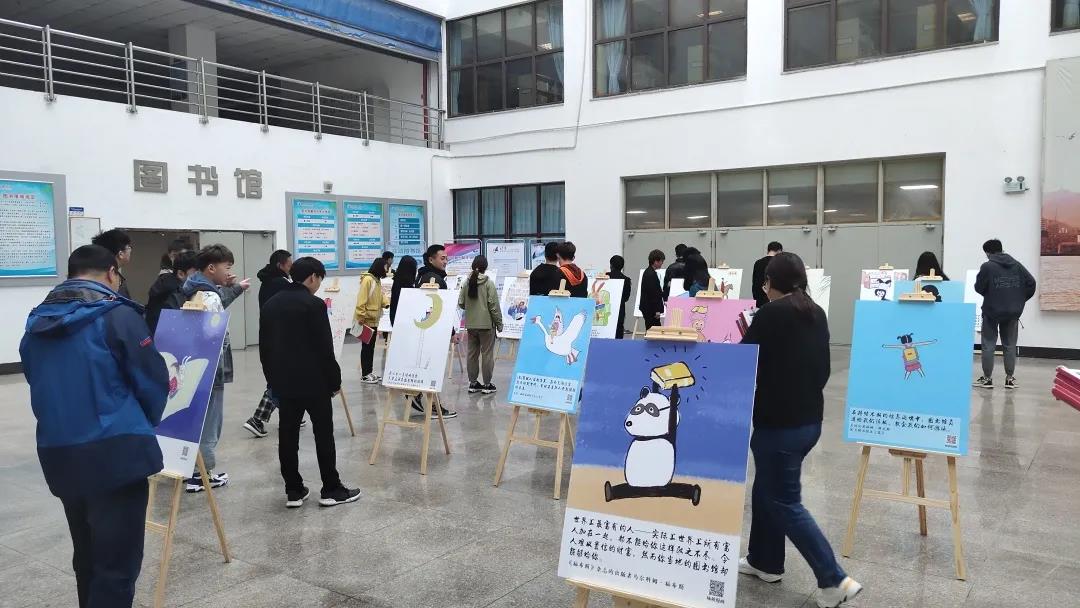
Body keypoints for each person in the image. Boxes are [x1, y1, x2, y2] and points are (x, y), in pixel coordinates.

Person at [20, 245, 169, 608]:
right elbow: (152, 381)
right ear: (112, 273)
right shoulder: (117, 315)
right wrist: (141, 424)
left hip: (59, 452)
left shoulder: (36, 322)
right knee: (117, 566)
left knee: (86, 556)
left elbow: (36, 378)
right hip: (117, 453)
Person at [739, 252, 863, 607]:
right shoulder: (815, 311)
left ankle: (834, 580)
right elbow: (822, 369)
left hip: (779, 425)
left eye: (765, 282)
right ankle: (765, 561)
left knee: (784, 501)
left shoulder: (770, 313)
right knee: (765, 489)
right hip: (809, 421)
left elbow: (745, 360)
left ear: (770, 283)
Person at [259, 257, 362, 508]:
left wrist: (272, 380)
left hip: (284, 383)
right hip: (315, 382)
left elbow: (265, 348)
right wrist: (335, 381)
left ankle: (293, 490)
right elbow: (325, 348)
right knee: (323, 434)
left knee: (288, 435)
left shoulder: (271, 304)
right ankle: (331, 488)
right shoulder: (314, 305)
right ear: (313, 277)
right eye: (319, 279)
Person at [180, 244, 249, 492]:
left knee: (195, 418)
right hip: (210, 368)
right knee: (210, 422)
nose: (229, 272)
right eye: (226, 267)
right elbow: (213, 338)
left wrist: (228, 288)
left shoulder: (192, 289)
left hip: (190, 366)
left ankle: (191, 469)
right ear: (211, 268)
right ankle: (202, 474)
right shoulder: (210, 297)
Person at [243, 249, 300, 438]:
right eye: (289, 265)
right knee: (281, 380)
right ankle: (257, 419)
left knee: (284, 378)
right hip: (279, 338)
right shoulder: (280, 284)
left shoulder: (269, 282)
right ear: (280, 265)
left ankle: (293, 414)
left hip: (271, 336)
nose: (291, 268)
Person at [973, 239, 1036, 389]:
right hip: (1012, 312)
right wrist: (1019, 299)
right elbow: (1031, 283)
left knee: (988, 344)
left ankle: (987, 379)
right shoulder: (1017, 265)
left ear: (988, 252)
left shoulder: (987, 266)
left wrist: (991, 294)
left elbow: (979, 287)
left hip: (991, 311)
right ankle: (1009, 379)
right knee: (1010, 345)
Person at [411, 245, 457, 419]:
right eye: (442, 258)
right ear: (431, 259)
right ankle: (433, 407)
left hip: (423, 330)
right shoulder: (433, 279)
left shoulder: (422, 276)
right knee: (432, 369)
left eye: (446, 258)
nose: (445, 261)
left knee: (427, 367)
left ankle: (416, 394)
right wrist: (451, 332)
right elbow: (439, 309)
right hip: (433, 331)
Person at [458, 255, 503, 394]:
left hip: (471, 325)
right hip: (486, 325)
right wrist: (499, 323)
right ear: (486, 267)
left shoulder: (466, 283)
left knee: (472, 354)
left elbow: (461, 303)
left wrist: (472, 308)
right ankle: (487, 385)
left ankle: (473, 383)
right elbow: (493, 306)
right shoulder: (488, 283)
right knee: (487, 355)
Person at [145, 251, 199, 334]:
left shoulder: (166, 286)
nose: (199, 278)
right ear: (181, 274)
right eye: (195, 274)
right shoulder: (174, 295)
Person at [355, 257, 387, 384]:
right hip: (366, 319)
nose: (386, 269)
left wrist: (386, 303)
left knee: (370, 347)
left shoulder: (376, 280)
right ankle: (365, 375)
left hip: (373, 319)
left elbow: (380, 296)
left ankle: (369, 372)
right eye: (385, 266)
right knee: (366, 348)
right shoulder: (368, 280)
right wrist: (360, 315)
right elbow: (362, 298)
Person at [91, 229, 133, 299]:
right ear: (120, 254)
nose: (130, 250)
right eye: (129, 247)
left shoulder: (118, 278)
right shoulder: (103, 279)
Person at [639, 249, 666, 330]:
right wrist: (657, 310)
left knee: (651, 329)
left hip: (648, 307)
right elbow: (653, 294)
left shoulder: (649, 272)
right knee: (654, 330)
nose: (662, 263)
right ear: (655, 261)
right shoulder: (651, 274)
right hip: (651, 309)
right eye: (661, 261)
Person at [752, 241, 783, 308]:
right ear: (779, 251)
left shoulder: (758, 263)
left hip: (760, 301)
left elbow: (755, 283)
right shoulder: (780, 263)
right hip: (776, 301)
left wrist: (756, 299)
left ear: (768, 250)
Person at [608, 254, 633, 339]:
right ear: (622, 266)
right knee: (619, 330)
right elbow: (626, 297)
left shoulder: (605, 276)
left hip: (606, 308)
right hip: (620, 308)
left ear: (611, 265)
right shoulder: (626, 280)